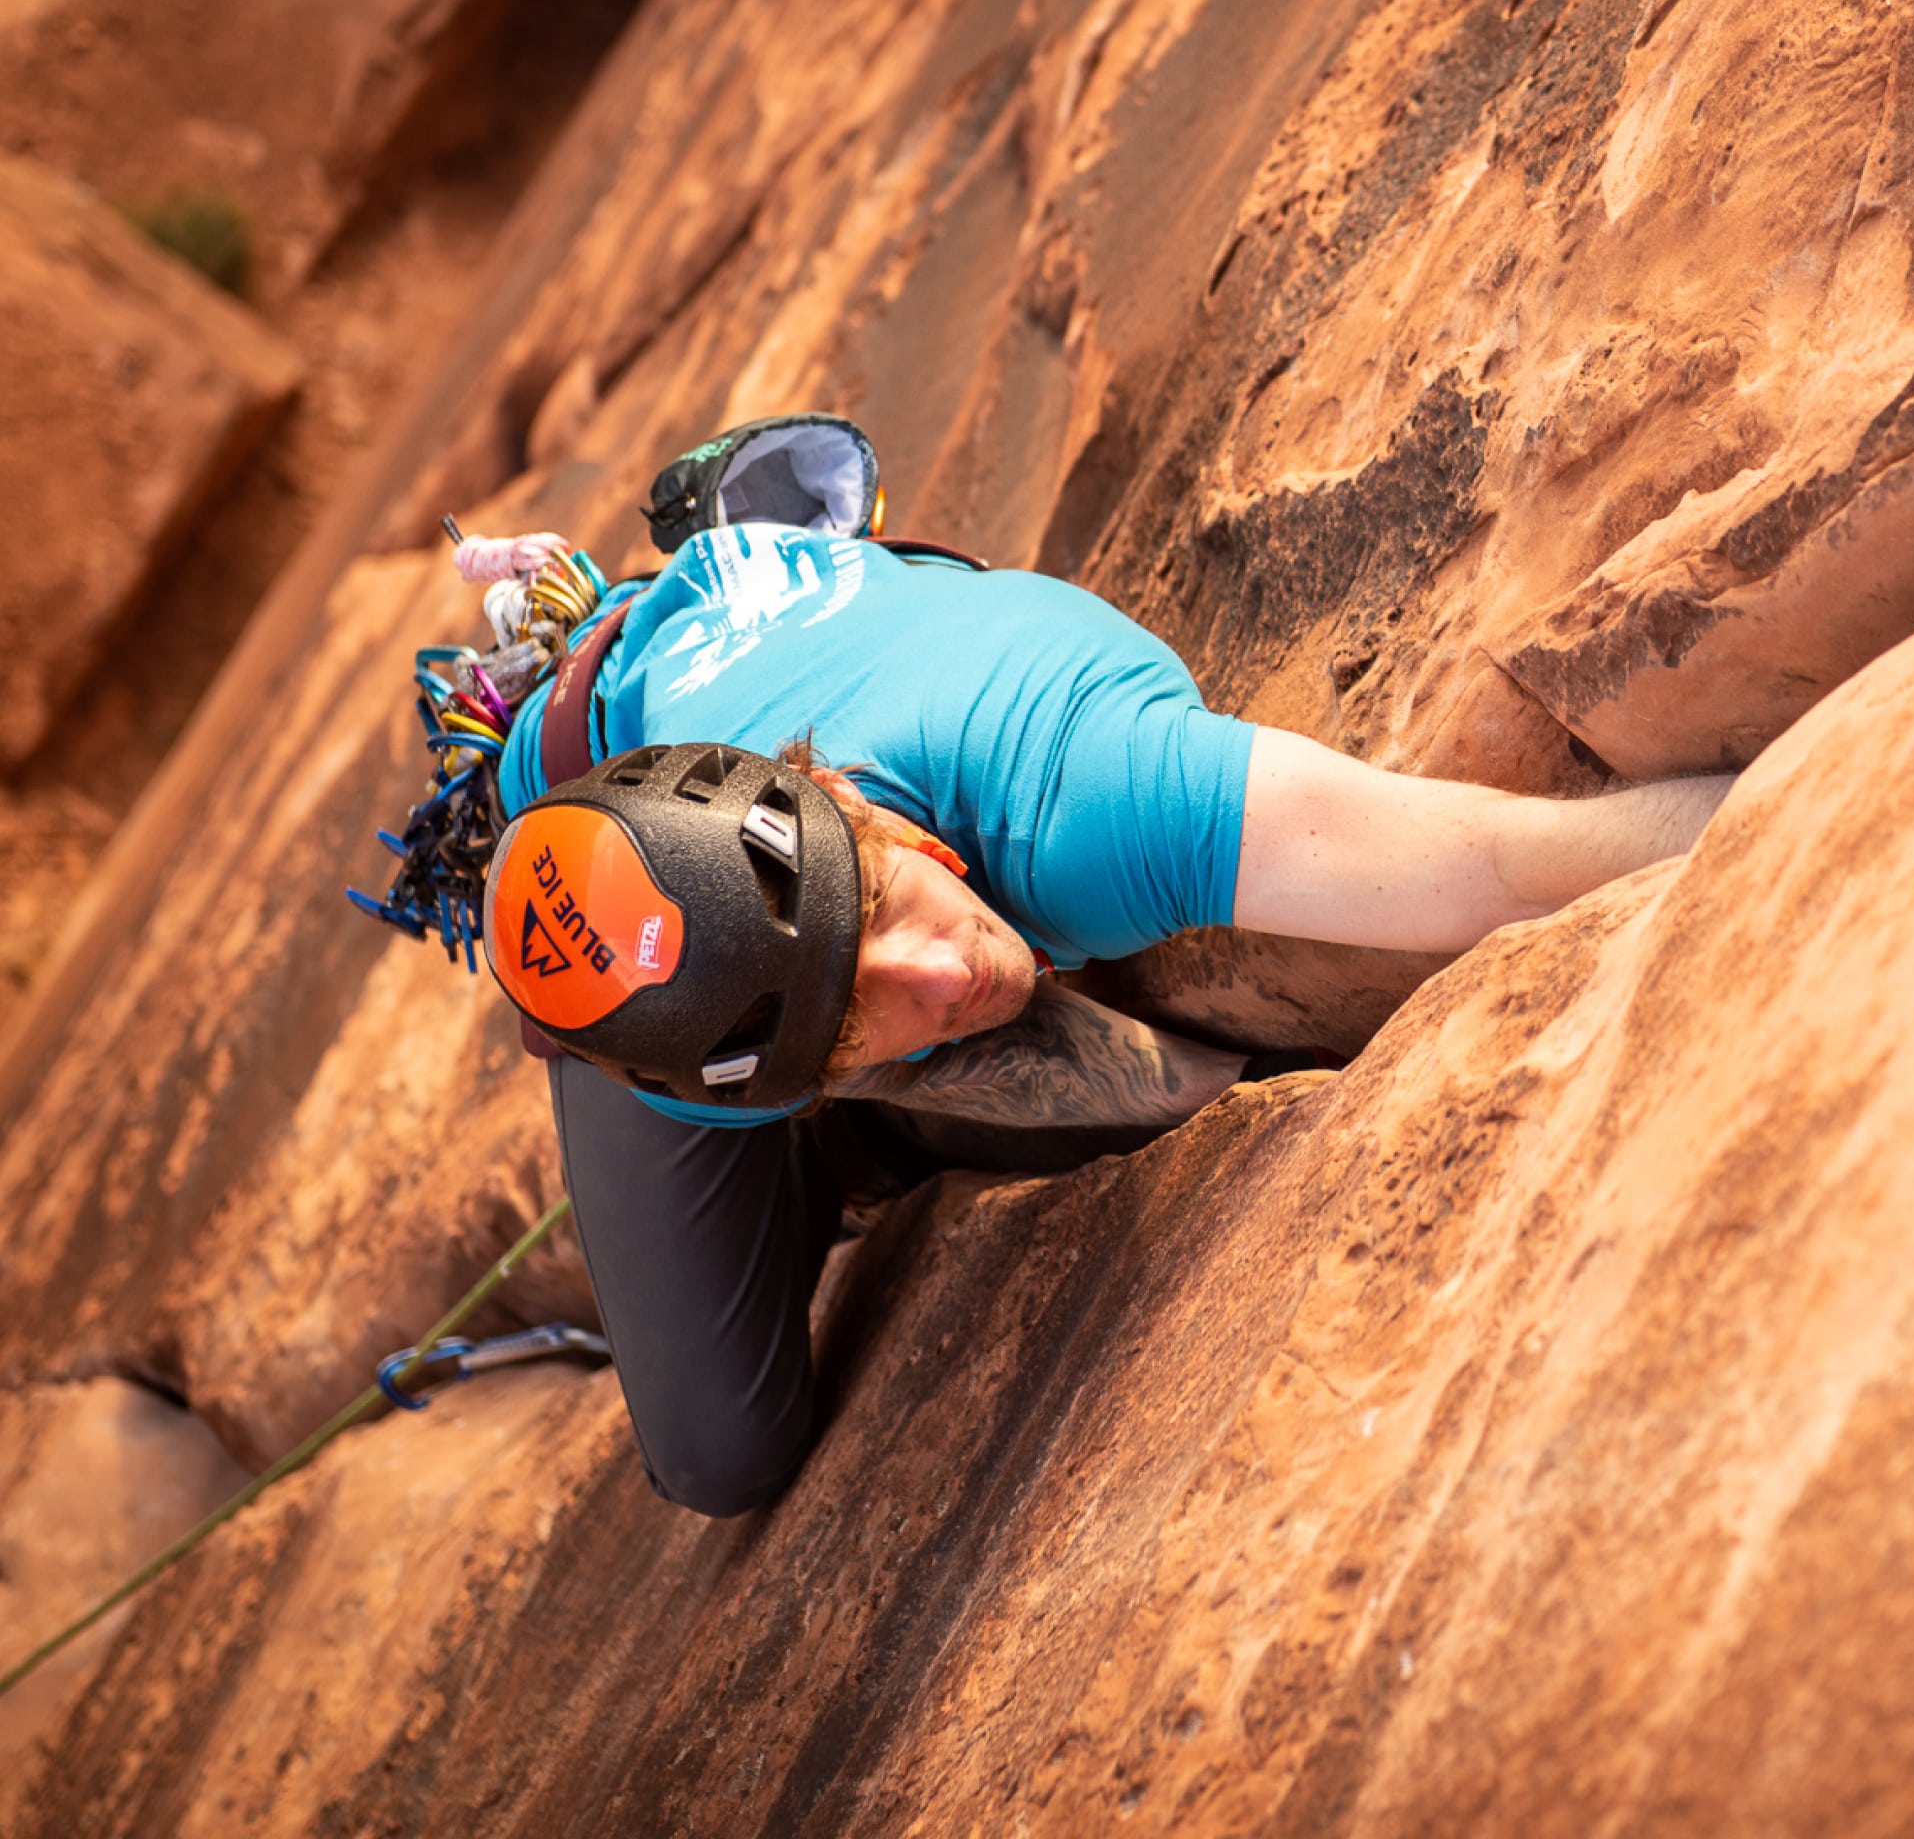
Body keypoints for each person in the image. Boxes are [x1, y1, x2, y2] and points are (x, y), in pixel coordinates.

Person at [476, 515, 1727, 1515]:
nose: (945, 973)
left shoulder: (1088, 801)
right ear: (812, 1079)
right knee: (719, 1455)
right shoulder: (684, 1035)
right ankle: (842, 1123)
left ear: (887, 818)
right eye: (866, 1021)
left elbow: (1515, 861)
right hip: (598, 800)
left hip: (689, 750)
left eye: (890, 904)